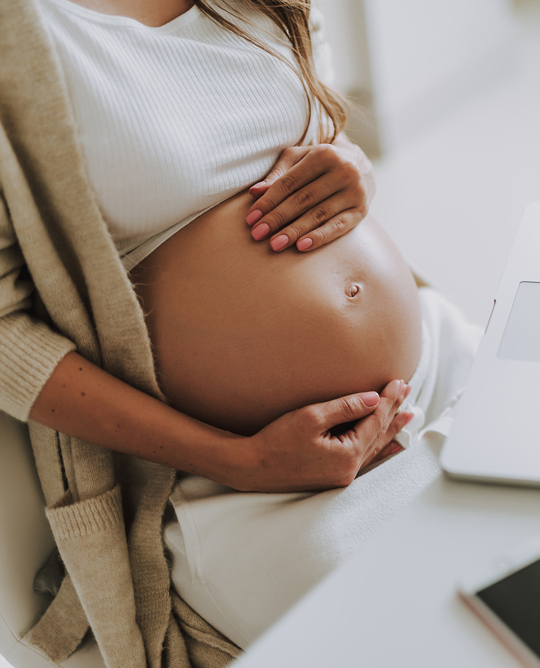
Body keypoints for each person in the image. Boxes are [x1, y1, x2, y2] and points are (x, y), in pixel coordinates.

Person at [0, 0, 480, 663]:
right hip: (244, 483)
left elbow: (313, 112)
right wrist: (239, 461)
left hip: (433, 359)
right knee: (424, 632)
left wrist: (349, 163)